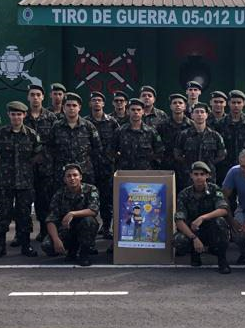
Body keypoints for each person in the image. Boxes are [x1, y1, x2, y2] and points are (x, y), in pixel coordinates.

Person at [0, 101, 42, 259]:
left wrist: (25, 168)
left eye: (19, 114)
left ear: (24, 115)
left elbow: (38, 156)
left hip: (25, 182)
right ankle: (1, 246)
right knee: (3, 214)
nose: (16, 117)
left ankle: (26, 245)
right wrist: (2, 171)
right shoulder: (0, 133)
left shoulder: (32, 134)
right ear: (9, 115)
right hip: (5, 182)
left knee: (25, 214)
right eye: (13, 114)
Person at [174, 161, 231, 273]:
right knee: (178, 240)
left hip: (211, 230)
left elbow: (224, 210)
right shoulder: (184, 194)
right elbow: (179, 220)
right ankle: (195, 254)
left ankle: (222, 260)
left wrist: (203, 218)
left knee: (220, 222)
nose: (199, 177)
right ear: (191, 175)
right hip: (193, 231)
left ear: (208, 176)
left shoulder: (214, 190)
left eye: (202, 174)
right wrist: (194, 238)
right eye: (196, 174)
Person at [42, 163, 100, 266]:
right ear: (64, 179)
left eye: (75, 175)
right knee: (47, 246)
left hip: (84, 228)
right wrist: (56, 240)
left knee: (89, 221)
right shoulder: (59, 194)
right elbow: (51, 219)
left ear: (80, 177)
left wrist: (72, 213)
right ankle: (72, 250)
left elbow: (93, 210)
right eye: (68, 176)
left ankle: (84, 254)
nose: (72, 178)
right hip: (67, 230)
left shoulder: (91, 189)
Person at [25, 83, 60, 243]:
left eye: (38, 95)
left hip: (46, 168)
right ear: (28, 97)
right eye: (32, 95)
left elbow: (56, 142)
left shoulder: (51, 118)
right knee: (23, 203)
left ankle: (45, 231)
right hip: (25, 168)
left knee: (44, 201)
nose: (35, 98)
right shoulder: (22, 117)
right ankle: (22, 233)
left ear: (43, 97)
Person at [85, 91, 119, 239]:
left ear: (104, 104)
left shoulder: (112, 122)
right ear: (90, 104)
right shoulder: (85, 122)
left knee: (107, 200)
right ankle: (89, 228)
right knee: (88, 199)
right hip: (88, 167)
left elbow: (119, 141)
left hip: (106, 168)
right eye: (94, 100)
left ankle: (106, 227)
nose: (97, 102)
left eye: (99, 100)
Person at [49, 92, 102, 184]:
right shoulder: (56, 126)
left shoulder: (88, 126)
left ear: (79, 108)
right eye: (68, 105)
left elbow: (97, 149)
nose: (71, 108)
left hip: (85, 173)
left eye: (74, 105)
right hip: (62, 173)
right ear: (64, 108)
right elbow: (50, 149)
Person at [174, 103, 226, 192]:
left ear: (207, 115)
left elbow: (222, 155)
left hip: (209, 176)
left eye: (202, 112)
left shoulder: (215, 135)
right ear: (192, 115)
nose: (199, 115)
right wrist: (188, 164)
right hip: (188, 177)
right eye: (197, 112)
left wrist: (210, 163)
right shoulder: (184, 135)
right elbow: (177, 154)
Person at [216, 89, 245, 185]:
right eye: (233, 102)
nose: (236, 105)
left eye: (239, 102)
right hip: (225, 168)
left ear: (243, 103)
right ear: (229, 103)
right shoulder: (220, 124)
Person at [110, 98, 164, 170]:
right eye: (133, 110)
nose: (136, 112)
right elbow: (111, 151)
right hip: (125, 172)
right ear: (128, 111)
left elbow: (159, 151)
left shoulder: (151, 132)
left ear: (143, 112)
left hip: (146, 172)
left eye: (138, 110)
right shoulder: (120, 131)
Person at [157, 93, 192, 181]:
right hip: (167, 166)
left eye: (180, 103)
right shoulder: (162, 125)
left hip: (186, 167)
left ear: (185, 106)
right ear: (170, 106)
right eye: (174, 103)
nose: (177, 105)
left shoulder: (192, 125)